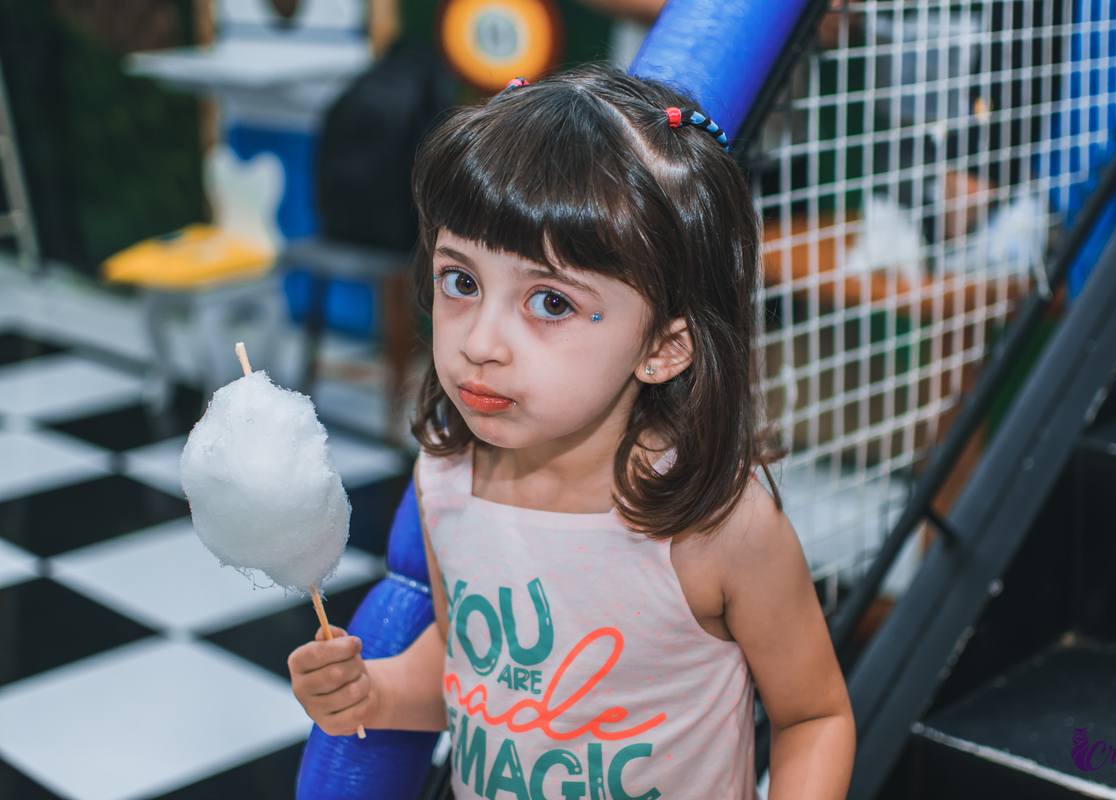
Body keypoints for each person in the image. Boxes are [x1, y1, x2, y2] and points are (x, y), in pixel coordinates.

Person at [288, 64, 856, 799]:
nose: (480, 342)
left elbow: (814, 716)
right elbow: (470, 672)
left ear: (663, 347)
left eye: (550, 302)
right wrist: (373, 692)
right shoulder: (446, 480)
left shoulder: (719, 527)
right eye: (461, 281)